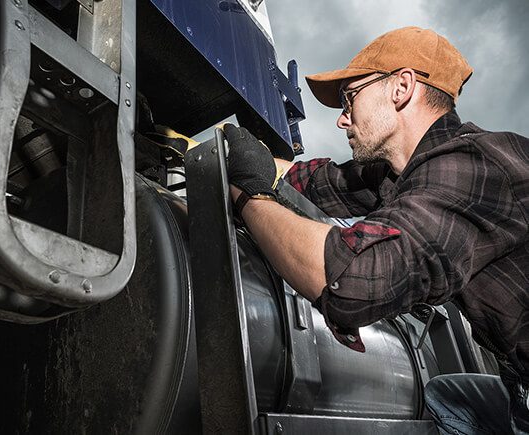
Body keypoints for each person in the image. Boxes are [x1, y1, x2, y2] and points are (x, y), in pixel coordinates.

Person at [223, 26, 529, 434]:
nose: (341, 119)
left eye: (350, 98)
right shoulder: (402, 174)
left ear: (402, 87)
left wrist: (251, 200)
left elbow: (351, 283)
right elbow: (314, 182)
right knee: (444, 395)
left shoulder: (474, 164)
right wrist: (235, 157)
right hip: (518, 380)